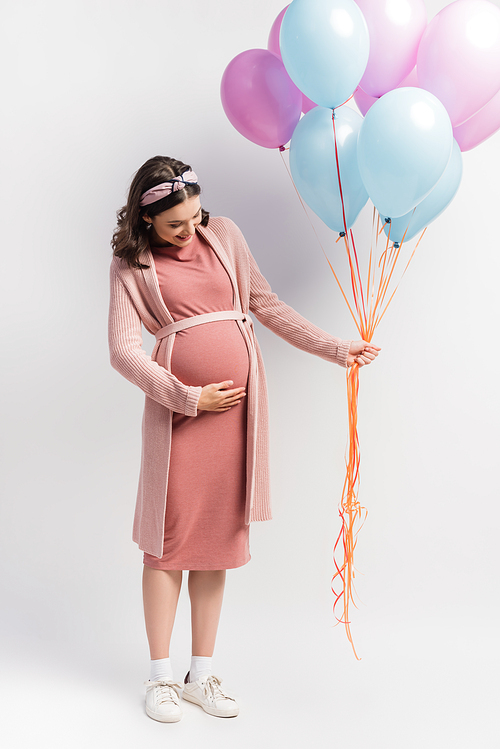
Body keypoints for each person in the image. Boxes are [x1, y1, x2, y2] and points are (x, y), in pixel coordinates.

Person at [108, 155, 380, 723]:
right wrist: (184, 396)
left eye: (195, 215)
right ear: (146, 220)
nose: (191, 230)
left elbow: (265, 303)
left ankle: (200, 676)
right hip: (179, 415)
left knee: (215, 546)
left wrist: (335, 349)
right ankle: (160, 678)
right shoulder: (130, 263)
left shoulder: (224, 233)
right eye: (176, 225)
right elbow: (122, 350)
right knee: (166, 545)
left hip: (235, 419)